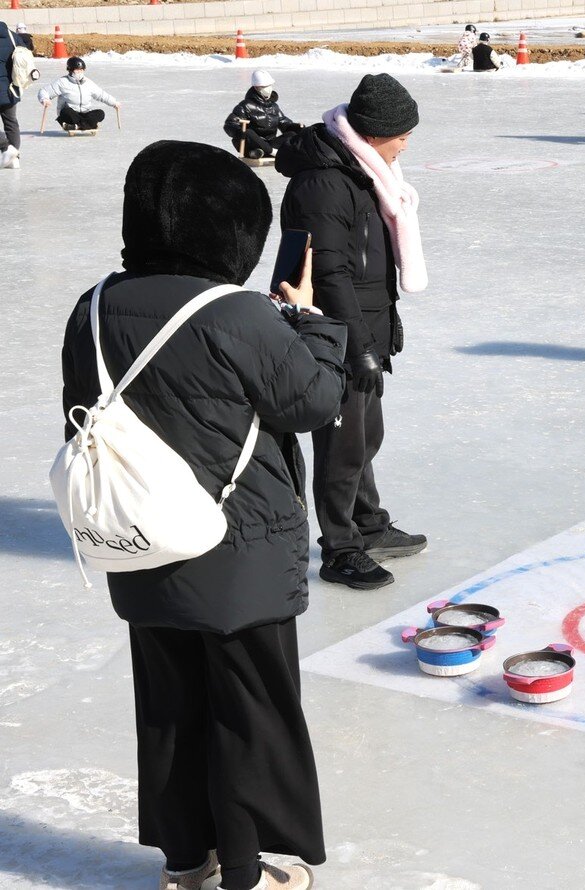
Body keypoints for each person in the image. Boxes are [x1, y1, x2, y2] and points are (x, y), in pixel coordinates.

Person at [61, 141, 348, 890]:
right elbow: (314, 402)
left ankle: (187, 864)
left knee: (170, 712)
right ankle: (249, 875)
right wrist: (311, 322)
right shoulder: (239, 313)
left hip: (138, 541)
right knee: (249, 716)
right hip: (237, 555)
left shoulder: (91, 306)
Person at [276, 74, 429, 589]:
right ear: (375, 132)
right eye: (402, 133)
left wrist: (384, 322)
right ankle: (340, 548)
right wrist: (356, 346)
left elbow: (368, 263)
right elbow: (329, 272)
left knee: (368, 435)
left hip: (362, 325)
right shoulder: (324, 182)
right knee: (341, 448)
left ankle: (368, 525)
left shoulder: (362, 171)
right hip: (334, 333)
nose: (407, 142)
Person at [223, 70, 302, 160]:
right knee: (248, 132)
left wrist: (296, 127)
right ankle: (271, 152)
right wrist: (238, 131)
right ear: (257, 88)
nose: (269, 88)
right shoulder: (246, 105)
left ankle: (260, 153)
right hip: (251, 143)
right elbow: (230, 124)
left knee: (291, 134)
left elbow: (284, 124)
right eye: (265, 86)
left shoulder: (274, 106)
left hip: (270, 142)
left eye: (269, 86)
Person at [39, 56, 120, 132]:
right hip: (71, 114)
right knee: (66, 112)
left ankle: (77, 126)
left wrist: (114, 103)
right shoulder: (62, 82)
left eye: (81, 70)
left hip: (85, 113)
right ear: (70, 70)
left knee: (100, 113)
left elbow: (101, 94)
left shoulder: (88, 83)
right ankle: (88, 125)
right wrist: (45, 99)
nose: (79, 72)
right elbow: (44, 91)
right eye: (77, 70)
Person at [0, 22, 19, 170]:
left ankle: (6, 148)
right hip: (10, 88)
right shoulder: (12, 35)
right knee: (11, 122)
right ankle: (14, 159)